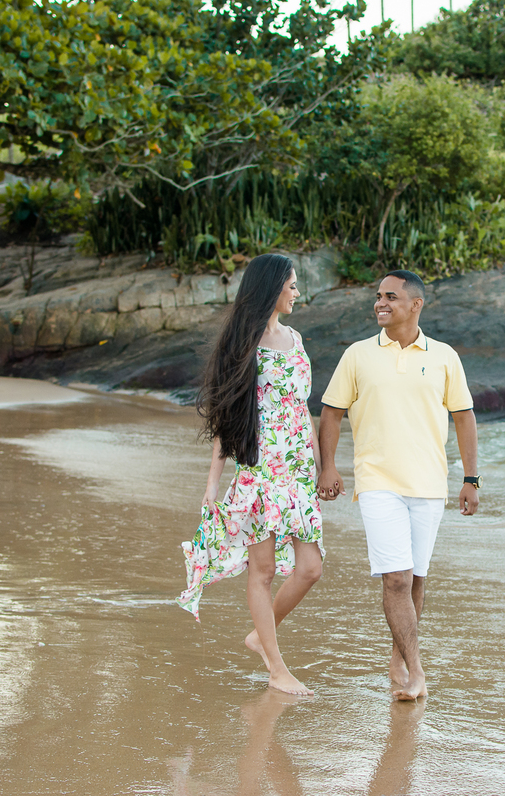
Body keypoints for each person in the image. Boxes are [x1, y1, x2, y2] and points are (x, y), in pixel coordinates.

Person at [316, 270, 480, 702]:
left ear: (415, 305)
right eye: (377, 297)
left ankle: (398, 654)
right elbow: (331, 412)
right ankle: (417, 671)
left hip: (428, 484)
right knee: (395, 580)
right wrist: (327, 467)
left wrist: (470, 478)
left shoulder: (444, 356)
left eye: (390, 297)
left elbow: (464, 416)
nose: (379, 303)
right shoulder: (357, 354)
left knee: (415, 579)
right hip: (377, 483)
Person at [177, 253, 324, 697]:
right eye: (292, 285)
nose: (297, 293)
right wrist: (212, 485)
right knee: (261, 571)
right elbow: (228, 420)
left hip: (297, 472)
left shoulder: (295, 338)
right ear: (273, 288)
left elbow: (303, 409)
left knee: (311, 568)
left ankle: (261, 635)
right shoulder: (244, 345)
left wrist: (320, 467)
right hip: (261, 470)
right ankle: (276, 668)